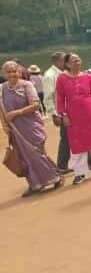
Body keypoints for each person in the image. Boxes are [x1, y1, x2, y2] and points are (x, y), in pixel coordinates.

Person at [1, 60, 62, 197]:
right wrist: (5, 125)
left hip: (31, 126)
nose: (12, 74)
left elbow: (35, 105)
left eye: (14, 71)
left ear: (19, 71)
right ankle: (35, 184)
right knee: (24, 156)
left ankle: (54, 177)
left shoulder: (27, 85)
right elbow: (1, 109)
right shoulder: (2, 89)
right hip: (15, 129)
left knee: (37, 153)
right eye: (9, 72)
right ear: (4, 73)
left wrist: (17, 113)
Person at [55, 53, 91, 185]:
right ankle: (80, 172)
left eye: (78, 59)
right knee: (77, 143)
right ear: (67, 64)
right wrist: (64, 115)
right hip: (74, 115)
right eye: (73, 60)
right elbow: (60, 98)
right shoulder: (62, 78)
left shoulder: (88, 77)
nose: (77, 62)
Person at [40, 52, 72, 174]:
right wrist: (54, 115)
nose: (67, 62)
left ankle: (86, 161)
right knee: (66, 138)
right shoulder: (50, 76)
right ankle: (62, 165)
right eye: (65, 60)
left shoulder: (63, 73)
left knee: (73, 136)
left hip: (70, 109)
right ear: (58, 61)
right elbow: (48, 97)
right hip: (61, 112)